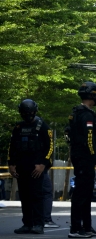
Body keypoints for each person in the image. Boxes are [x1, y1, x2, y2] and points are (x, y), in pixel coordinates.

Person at [8, 99, 53, 234]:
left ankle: (38, 224)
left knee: (37, 196)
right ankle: (27, 224)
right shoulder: (18, 128)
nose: (27, 115)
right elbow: (12, 147)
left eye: (29, 112)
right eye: (24, 112)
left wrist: (43, 164)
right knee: (25, 196)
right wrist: (11, 164)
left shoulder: (43, 126)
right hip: (22, 167)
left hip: (36, 168)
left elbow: (50, 147)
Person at [68, 81, 96, 238]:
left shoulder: (77, 112)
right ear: (93, 96)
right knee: (81, 195)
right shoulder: (86, 115)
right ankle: (76, 228)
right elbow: (90, 140)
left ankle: (87, 226)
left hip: (79, 157)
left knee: (85, 194)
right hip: (85, 159)